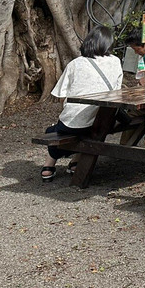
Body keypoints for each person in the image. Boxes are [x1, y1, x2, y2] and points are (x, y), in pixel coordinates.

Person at [41, 25, 123, 181]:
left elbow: (61, 95)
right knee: (87, 131)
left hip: (74, 123)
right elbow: (116, 92)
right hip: (104, 122)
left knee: (53, 130)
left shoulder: (76, 64)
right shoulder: (116, 62)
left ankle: (49, 164)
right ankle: (76, 161)